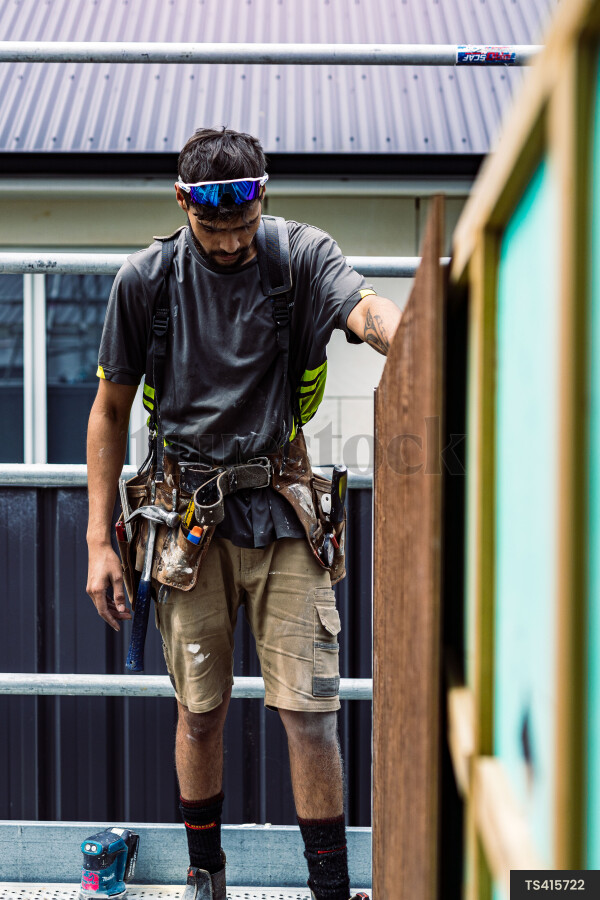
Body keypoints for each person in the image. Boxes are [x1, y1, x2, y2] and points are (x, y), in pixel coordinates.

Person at [86, 126, 401, 900]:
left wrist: (410, 340)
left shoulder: (300, 256)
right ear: (182, 205)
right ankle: (207, 876)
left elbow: (364, 308)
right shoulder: (146, 281)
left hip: (284, 511)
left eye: (243, 226)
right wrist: (100, 539)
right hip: (184, 519)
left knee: (310, 712)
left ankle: (329, 891)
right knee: (201, 711)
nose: (230, 244)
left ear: (264, 200)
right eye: (212, 228)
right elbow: (108, 413)